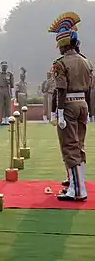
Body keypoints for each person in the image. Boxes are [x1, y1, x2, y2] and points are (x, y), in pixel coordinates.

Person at [48, 11, 92, 201]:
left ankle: (78, 190)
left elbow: (60, 89)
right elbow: (90, 89)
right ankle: (77, 183)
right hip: (83, 103)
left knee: (69, 146)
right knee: (79, 145)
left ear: (64, 44)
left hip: (68, 105)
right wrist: (90, 111)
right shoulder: (86, 61)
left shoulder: (61, 63)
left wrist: (58, 112)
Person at [0, 61, 14, 125]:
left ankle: (7, 119)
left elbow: (12, 85)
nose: (4, 67)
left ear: (7, 67)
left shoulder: (9, 74)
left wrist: (12, 93)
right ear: (1, 67)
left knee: (8, 105)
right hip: (1, 89)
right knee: (1, 105)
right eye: (3, 66)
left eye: (5, 66)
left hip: (7, 89)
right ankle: (3, 119)